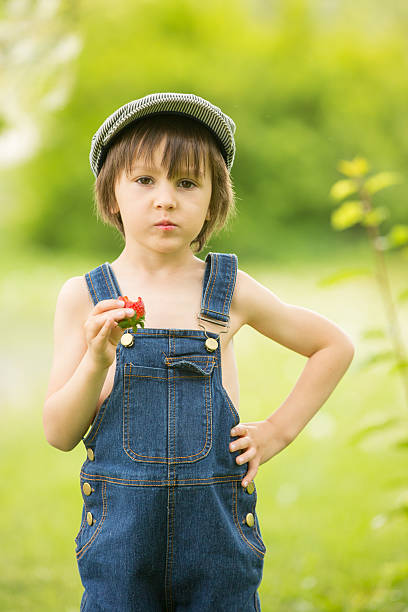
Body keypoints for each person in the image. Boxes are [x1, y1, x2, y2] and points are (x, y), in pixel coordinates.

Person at [42, 92, 355, 611]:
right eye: (145, 181)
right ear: (112, 194)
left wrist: (277, 431)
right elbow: (58, 433)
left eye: (187, 183)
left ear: (214, 200)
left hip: (216, 541)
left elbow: (332, 345)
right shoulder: (85, 296)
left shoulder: (228, 289)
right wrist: (98, 359)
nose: (165, 199)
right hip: (120, 543)